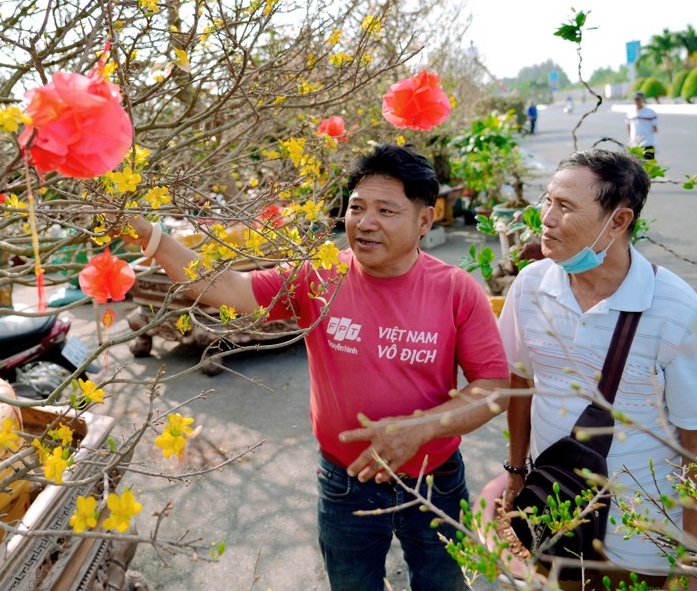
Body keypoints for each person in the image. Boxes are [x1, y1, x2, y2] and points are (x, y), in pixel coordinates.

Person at [126, 144, 509, 591]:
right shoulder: (319, 277)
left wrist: (420, 429)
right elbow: (226, 286)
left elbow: (494, 387)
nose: (365, 222)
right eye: (356, 207)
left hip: (434, 482)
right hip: (345, 484)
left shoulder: (456, 290)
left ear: (424, 221)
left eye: (386, 210)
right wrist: (146, 234)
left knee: (444, 585)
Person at [500, 149, 697, 588]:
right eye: (547, 200)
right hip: (555, 511)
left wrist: (690, 550)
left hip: (640, 532)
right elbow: (521, 382)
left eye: (565, 207)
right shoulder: (531, 286)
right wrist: (516, 474)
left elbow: (693, 440)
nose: (545, 218)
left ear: (619, 221)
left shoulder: (675, 309)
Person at [625, 90, 658, 160]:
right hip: (634, 145)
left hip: (648, 143)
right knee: (635, 167)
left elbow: (655, 128)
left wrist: (655, 142)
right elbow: (628, 126)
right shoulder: (630, 113)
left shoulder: (650, 112)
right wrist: (630, 138)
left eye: (639, 99)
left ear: (643, 99)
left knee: (649, 166)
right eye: (635, 99)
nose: (637, 101)